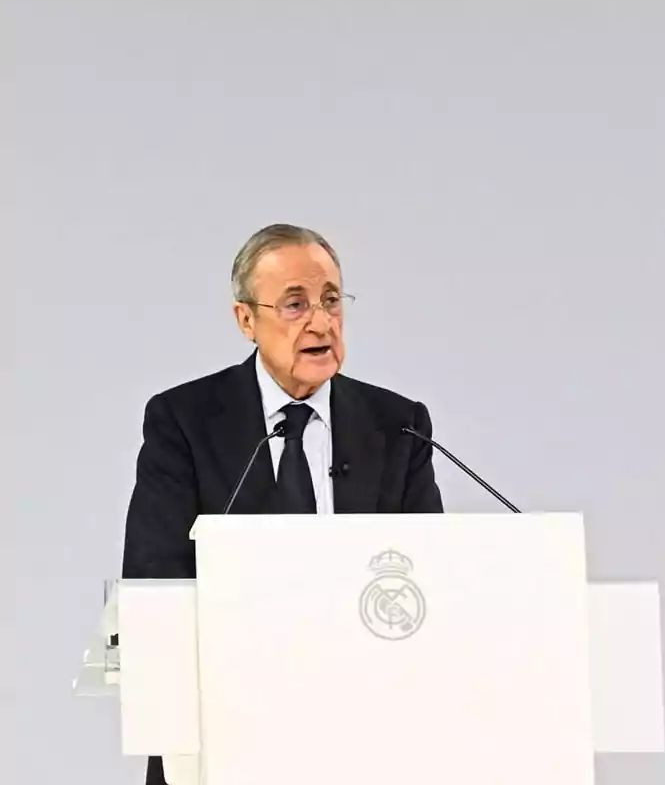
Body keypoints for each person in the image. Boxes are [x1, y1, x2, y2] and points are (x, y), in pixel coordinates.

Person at [120, 223, 443, 785]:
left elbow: (432, 577)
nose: (320, 322)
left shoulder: (399, 425)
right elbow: (155, 581)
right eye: (295, 304)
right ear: (246, 319)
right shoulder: (184, 421)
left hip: (368, 738)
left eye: (331, 300)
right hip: (224, 735)